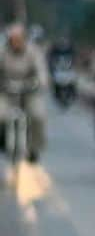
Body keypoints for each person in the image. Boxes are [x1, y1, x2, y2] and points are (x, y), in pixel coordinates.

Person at [0, 23, 51, 162]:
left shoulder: (34, 51)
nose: (15, 42)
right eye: (12, 39)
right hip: (6, 91)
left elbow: (42, 72)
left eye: (18, 38)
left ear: (24, 38)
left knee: (38, 115)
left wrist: (40, 82)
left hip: (29, 91)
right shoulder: (3, 52)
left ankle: (34, 148)